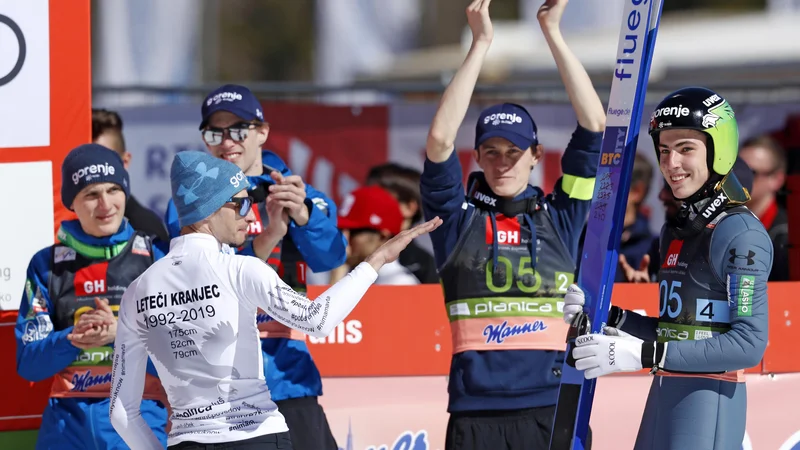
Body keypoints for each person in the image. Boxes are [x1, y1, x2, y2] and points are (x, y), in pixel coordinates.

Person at [109, 151, 441, 450]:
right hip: (256, 436)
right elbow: (318, 320)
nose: (249, 216)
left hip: (188, 440)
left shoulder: (138, 291)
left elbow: (122, 412)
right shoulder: (240, 269)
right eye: (239, 204)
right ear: (207, 211)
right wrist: (376, 261)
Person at [420, 0, 605, 448]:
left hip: (552, 406)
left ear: (537, 156)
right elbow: (441, 141)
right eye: (491, 152)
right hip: (474, 411)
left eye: (515, 152)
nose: (503, 163)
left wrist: (552, 32)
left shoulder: (561, 215)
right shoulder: (457, 220)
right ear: (478, 157)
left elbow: (595, 124)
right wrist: (481, 43)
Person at [565, 87, 773, 450]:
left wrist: (641, 355)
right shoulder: (675, 230)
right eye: (664, 150)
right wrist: (610, 317)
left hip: (706, 406)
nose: (671, 163)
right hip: (664, 398)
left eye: (686, 149)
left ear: (718, 151)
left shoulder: (740, 233)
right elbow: (676, 330)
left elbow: (748, 344)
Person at [163, 84, 348, 450]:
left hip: (287, 377)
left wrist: (304, 216)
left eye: (238, 129)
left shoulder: (298, 192)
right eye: (215, 132)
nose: (227, 141)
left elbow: (331, 258)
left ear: (262, 131)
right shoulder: (189, 204)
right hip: (224, 388)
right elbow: (191, 276)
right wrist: (265, 240)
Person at [15, 144, 168, 449]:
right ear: (72, 202)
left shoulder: (156, 256)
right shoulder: (47, 265)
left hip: (140, 429)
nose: (105, 204)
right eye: (91, 194)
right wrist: (73, 338)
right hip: (65, 432)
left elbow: (185, 353)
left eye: (114, 190)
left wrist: (122, 335)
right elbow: (29, 364)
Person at [619, 157, 755, 283]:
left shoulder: (749, 249)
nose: (662, 196)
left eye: (674, 185)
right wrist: (641, 294)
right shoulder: (660, 247)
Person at [92, 108, 170, 242]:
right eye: (82, 161)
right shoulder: (61, 226)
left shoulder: (147, 233)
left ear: (125, 161)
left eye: (104, 162)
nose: (93, 170)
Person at [330, 185, 420, 285]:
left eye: (353, 232)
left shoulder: (398, 283)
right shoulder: (343, 269)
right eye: (340, 230)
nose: (344, 238)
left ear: (383, 237)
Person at [365, 163, 439, 283]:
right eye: (365, 197)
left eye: (380, 198)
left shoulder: (422, 268)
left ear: (409, 208)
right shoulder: (350, 254)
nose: (367, 204)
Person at [738, 135, 790, 281]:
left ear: (777, 180)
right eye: (736, 170)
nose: (740, 178)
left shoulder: (785, 237)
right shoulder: (724, 226)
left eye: (751, 172)